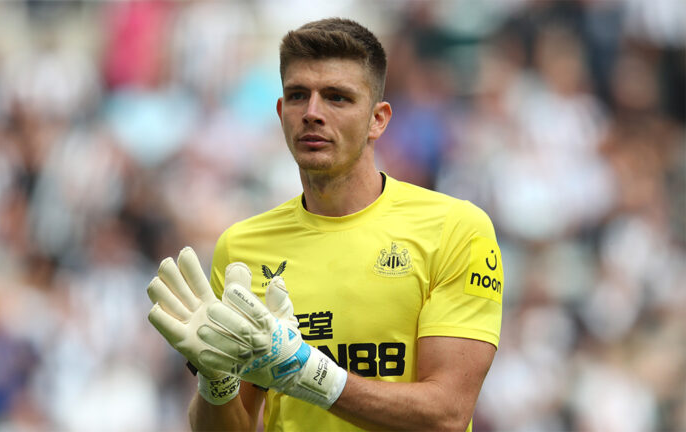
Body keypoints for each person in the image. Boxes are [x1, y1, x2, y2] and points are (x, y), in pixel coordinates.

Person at [147, 18, 503, 431]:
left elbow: (447, 414)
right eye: (298, 95)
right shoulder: (242, 247)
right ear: (281, 113)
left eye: (337, 97)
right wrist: (217, 381)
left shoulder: (456, 229)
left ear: (378, 120)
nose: (313, 113)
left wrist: (305, 370)